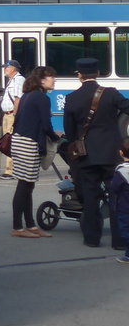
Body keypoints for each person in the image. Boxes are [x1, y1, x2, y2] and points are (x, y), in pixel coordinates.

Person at [62, 57, 129, 250]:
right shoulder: (111, 94)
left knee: (91, 197)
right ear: (98, 73)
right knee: (116, 197)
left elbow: (70, 131)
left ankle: (91, 238)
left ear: (79, 75)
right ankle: (119, 241)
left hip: (86, 155)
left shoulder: (71, 98)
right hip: (111, 154)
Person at [9, 65, 58, 238]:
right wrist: (57, 138)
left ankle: (30, 224)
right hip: (28, 142)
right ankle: (17, 227)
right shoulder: (42, 98)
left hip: (19, 140)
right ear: (42, 80)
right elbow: (46, 125)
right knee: (24, 185)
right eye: (52, 76)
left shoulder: (28, 95)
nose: (54, 80)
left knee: (27, 185)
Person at [0, 59, 25, 181]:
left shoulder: (18, 80)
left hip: (11, 116)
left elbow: (18, 98)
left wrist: (14, 115)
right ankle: (12, 169)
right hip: (7, 115)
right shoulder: (12, 80)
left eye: (6, 67)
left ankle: (10, 171)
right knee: (9, 141)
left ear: (13, 68)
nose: (4, 69)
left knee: (11, 142)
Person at [109, 146, 129, 264]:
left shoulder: (121, 170)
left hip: (125, 207)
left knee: (125, 230)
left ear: (121, 152)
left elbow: (114, 187)